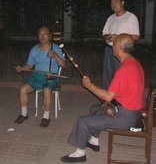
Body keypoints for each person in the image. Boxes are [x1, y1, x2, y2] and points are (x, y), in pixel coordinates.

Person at [61, 34, 144, 163]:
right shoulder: (134, 62)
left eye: (114, 43)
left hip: (125, 117)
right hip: (132, 111)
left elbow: (107, 97)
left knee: (83, 122)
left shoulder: (124, 69)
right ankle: (94, 141)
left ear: (119, 47)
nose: (112, 46)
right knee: (95, 109)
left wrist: (89, 86)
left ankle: (79, 154)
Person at [14, 25, 66, 127]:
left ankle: (46, 116)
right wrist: (21, 68)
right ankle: (24, 114)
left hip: (51, 78)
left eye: (45, 34)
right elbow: (29, 66)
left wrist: (55, 55)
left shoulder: (55, 48)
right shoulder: (34, 50)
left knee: (47, 90)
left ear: (50, 36)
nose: (42, 36)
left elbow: (63, 65)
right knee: (23, 89)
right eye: (40, 34)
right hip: (36, 77)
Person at [102, 0, 140, 89]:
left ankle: (120, 101)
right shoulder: (111, 18)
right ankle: (107, 100)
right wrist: (108, 37)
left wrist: (118, 37)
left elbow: (136, 36)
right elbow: (104, 33)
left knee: (120, 75)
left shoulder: (131, 17)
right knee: (107, 75)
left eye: (116, 2)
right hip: (109, 49)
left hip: (123, 51)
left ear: (122, 3)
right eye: (111, 3)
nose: (113, 5)